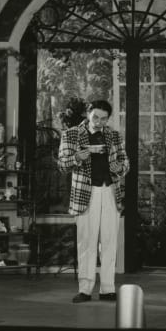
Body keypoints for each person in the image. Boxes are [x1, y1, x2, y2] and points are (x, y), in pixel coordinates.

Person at [57, 100, 130, 303]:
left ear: (108, 119)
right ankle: (85, 290)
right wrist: (77, 158)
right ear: (88, 114)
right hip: (85, 194)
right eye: (95, 117)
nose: (99, 122)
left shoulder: (114, 135)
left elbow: (125, 163)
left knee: (109, 242)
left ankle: (107, 289)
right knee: (87, 243)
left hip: (110, 192)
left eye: (103, 119)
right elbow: (62, 165)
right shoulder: (71, 134)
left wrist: (120, 168)